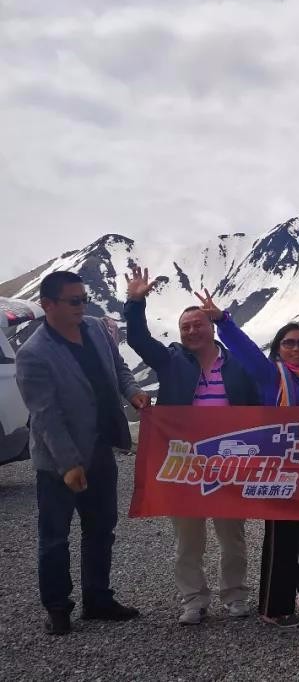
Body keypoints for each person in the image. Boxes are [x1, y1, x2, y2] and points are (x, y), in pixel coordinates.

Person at [122, 266, 261, 626]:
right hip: (184, 462)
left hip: (228, 461)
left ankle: (235, 596)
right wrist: (135, 302)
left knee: (232, 535)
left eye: (198, 324)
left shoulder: (237, 365)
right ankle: (193, 599)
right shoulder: (170, 360)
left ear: (212, 328)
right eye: (185, 327)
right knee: (188, 538)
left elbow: (257, 404)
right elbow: (137, 340)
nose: (191, 331)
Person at [15, 270, 150, 635]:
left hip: (100, 448)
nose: (82, 307)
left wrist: (132, 392)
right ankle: (57, 607)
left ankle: (98, 598)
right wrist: (69, 465)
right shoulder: (33, 355)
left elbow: (118, 368)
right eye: (74, 301)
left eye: (84, 299)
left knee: (101, 527)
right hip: (59, 461)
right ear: (48, 305)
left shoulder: (94, 329)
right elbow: (45, 416)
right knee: (55, 535)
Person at [193, 289, 299, 629]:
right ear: (278, 348)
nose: (296, 348)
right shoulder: (271, 374)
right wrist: (222, 320)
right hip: (279, 468)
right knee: (281, 538)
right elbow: (245, 350)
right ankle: (274, 606)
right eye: (289, 343)